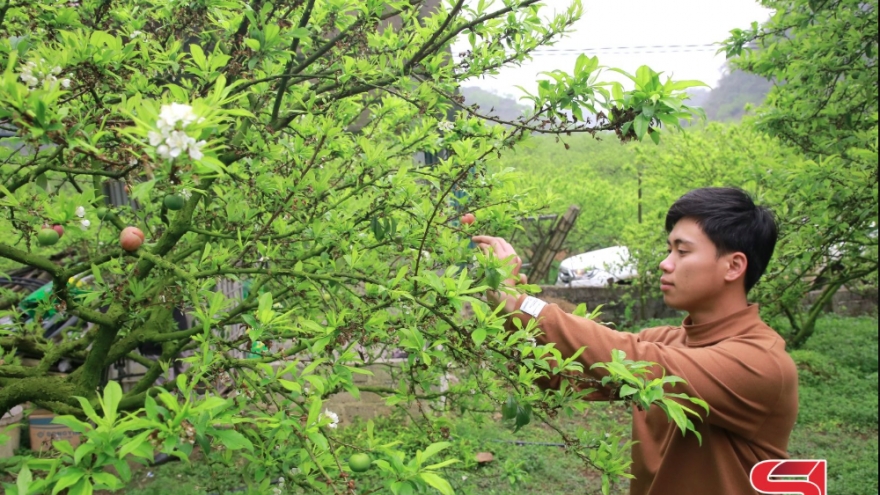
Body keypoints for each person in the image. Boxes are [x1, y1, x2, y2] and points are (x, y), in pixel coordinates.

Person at [472, 187, 798, 495]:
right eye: (669, 250)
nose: (665, 263)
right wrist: (509, 309)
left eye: (682, 251)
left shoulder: (761, 363)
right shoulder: (668, 340)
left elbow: (634, 358)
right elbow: (563, 375)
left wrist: (522, 303)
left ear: (734, 266)